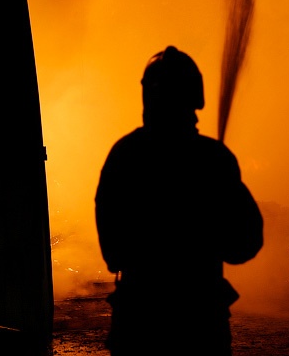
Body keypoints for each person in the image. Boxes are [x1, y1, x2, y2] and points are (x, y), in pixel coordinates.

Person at [95, 46, 264, 355]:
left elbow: (113, 253)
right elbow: (246, 243)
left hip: (139, 321)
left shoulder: (124, 155)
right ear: (195, 97)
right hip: (200, 321)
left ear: (147, 96)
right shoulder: (214, 159)